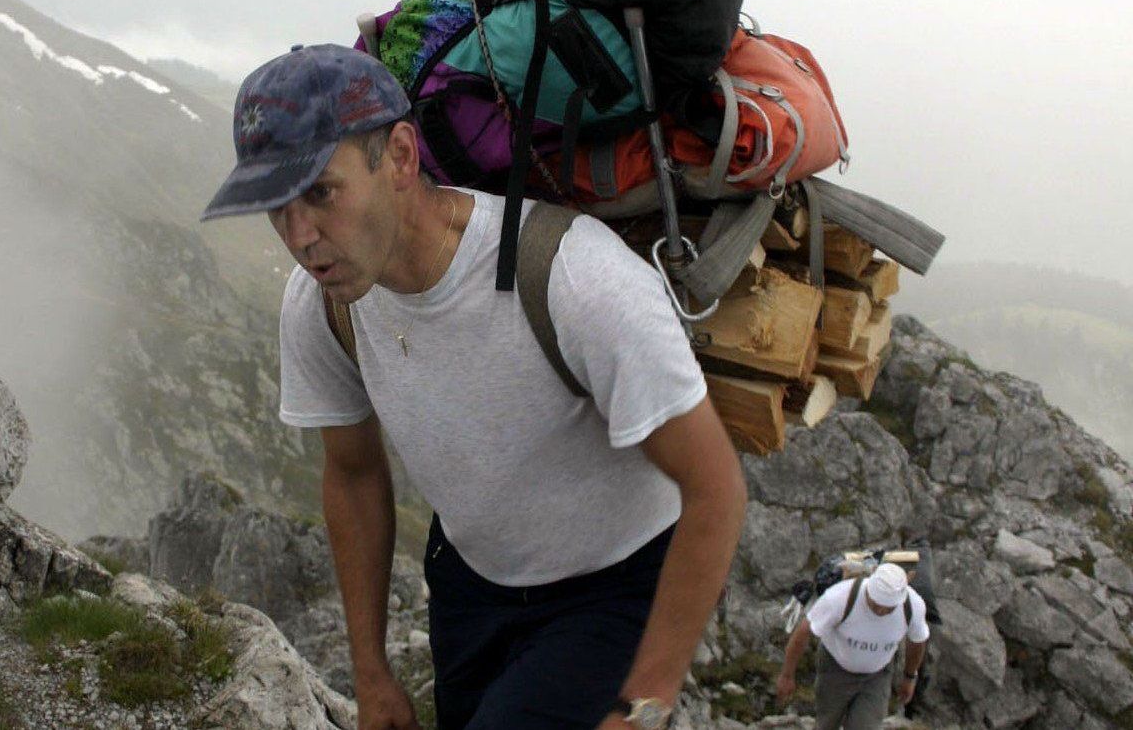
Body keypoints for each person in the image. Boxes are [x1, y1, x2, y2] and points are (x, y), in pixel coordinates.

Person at [201, 43, 748, 730]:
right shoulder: (322, 304)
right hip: (470, 585)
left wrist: (641, 703)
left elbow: (715, 487)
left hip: (613, 585)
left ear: (400, 156)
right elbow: (352, 473)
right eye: (276, 207)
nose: (300, 236)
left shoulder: (575, 278)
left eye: (320, 193)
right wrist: (371, 674)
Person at [774, 563, 930, 730]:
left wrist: (910, 676)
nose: (880, 609)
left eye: (888, 607)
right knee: (826, 724)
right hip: (835, 669)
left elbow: (917, 641)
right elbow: (803, 633)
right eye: (875, 602)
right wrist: (787, 675)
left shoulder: (913, 606)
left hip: (877, 675)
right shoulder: (839, 598)